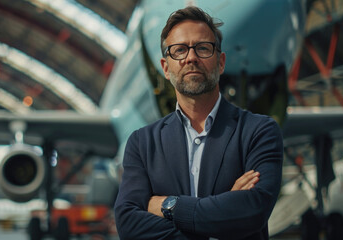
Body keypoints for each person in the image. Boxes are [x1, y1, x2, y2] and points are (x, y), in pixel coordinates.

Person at [114, 6, 283, 240]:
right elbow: (128, 226)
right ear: (165, 68)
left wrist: (167, 206)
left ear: (221, 62)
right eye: (179, 50)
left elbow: (253, 210)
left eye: (203, 48)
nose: (191, 58)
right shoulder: (142, 143)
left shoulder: (259, 131)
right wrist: (222, 215)